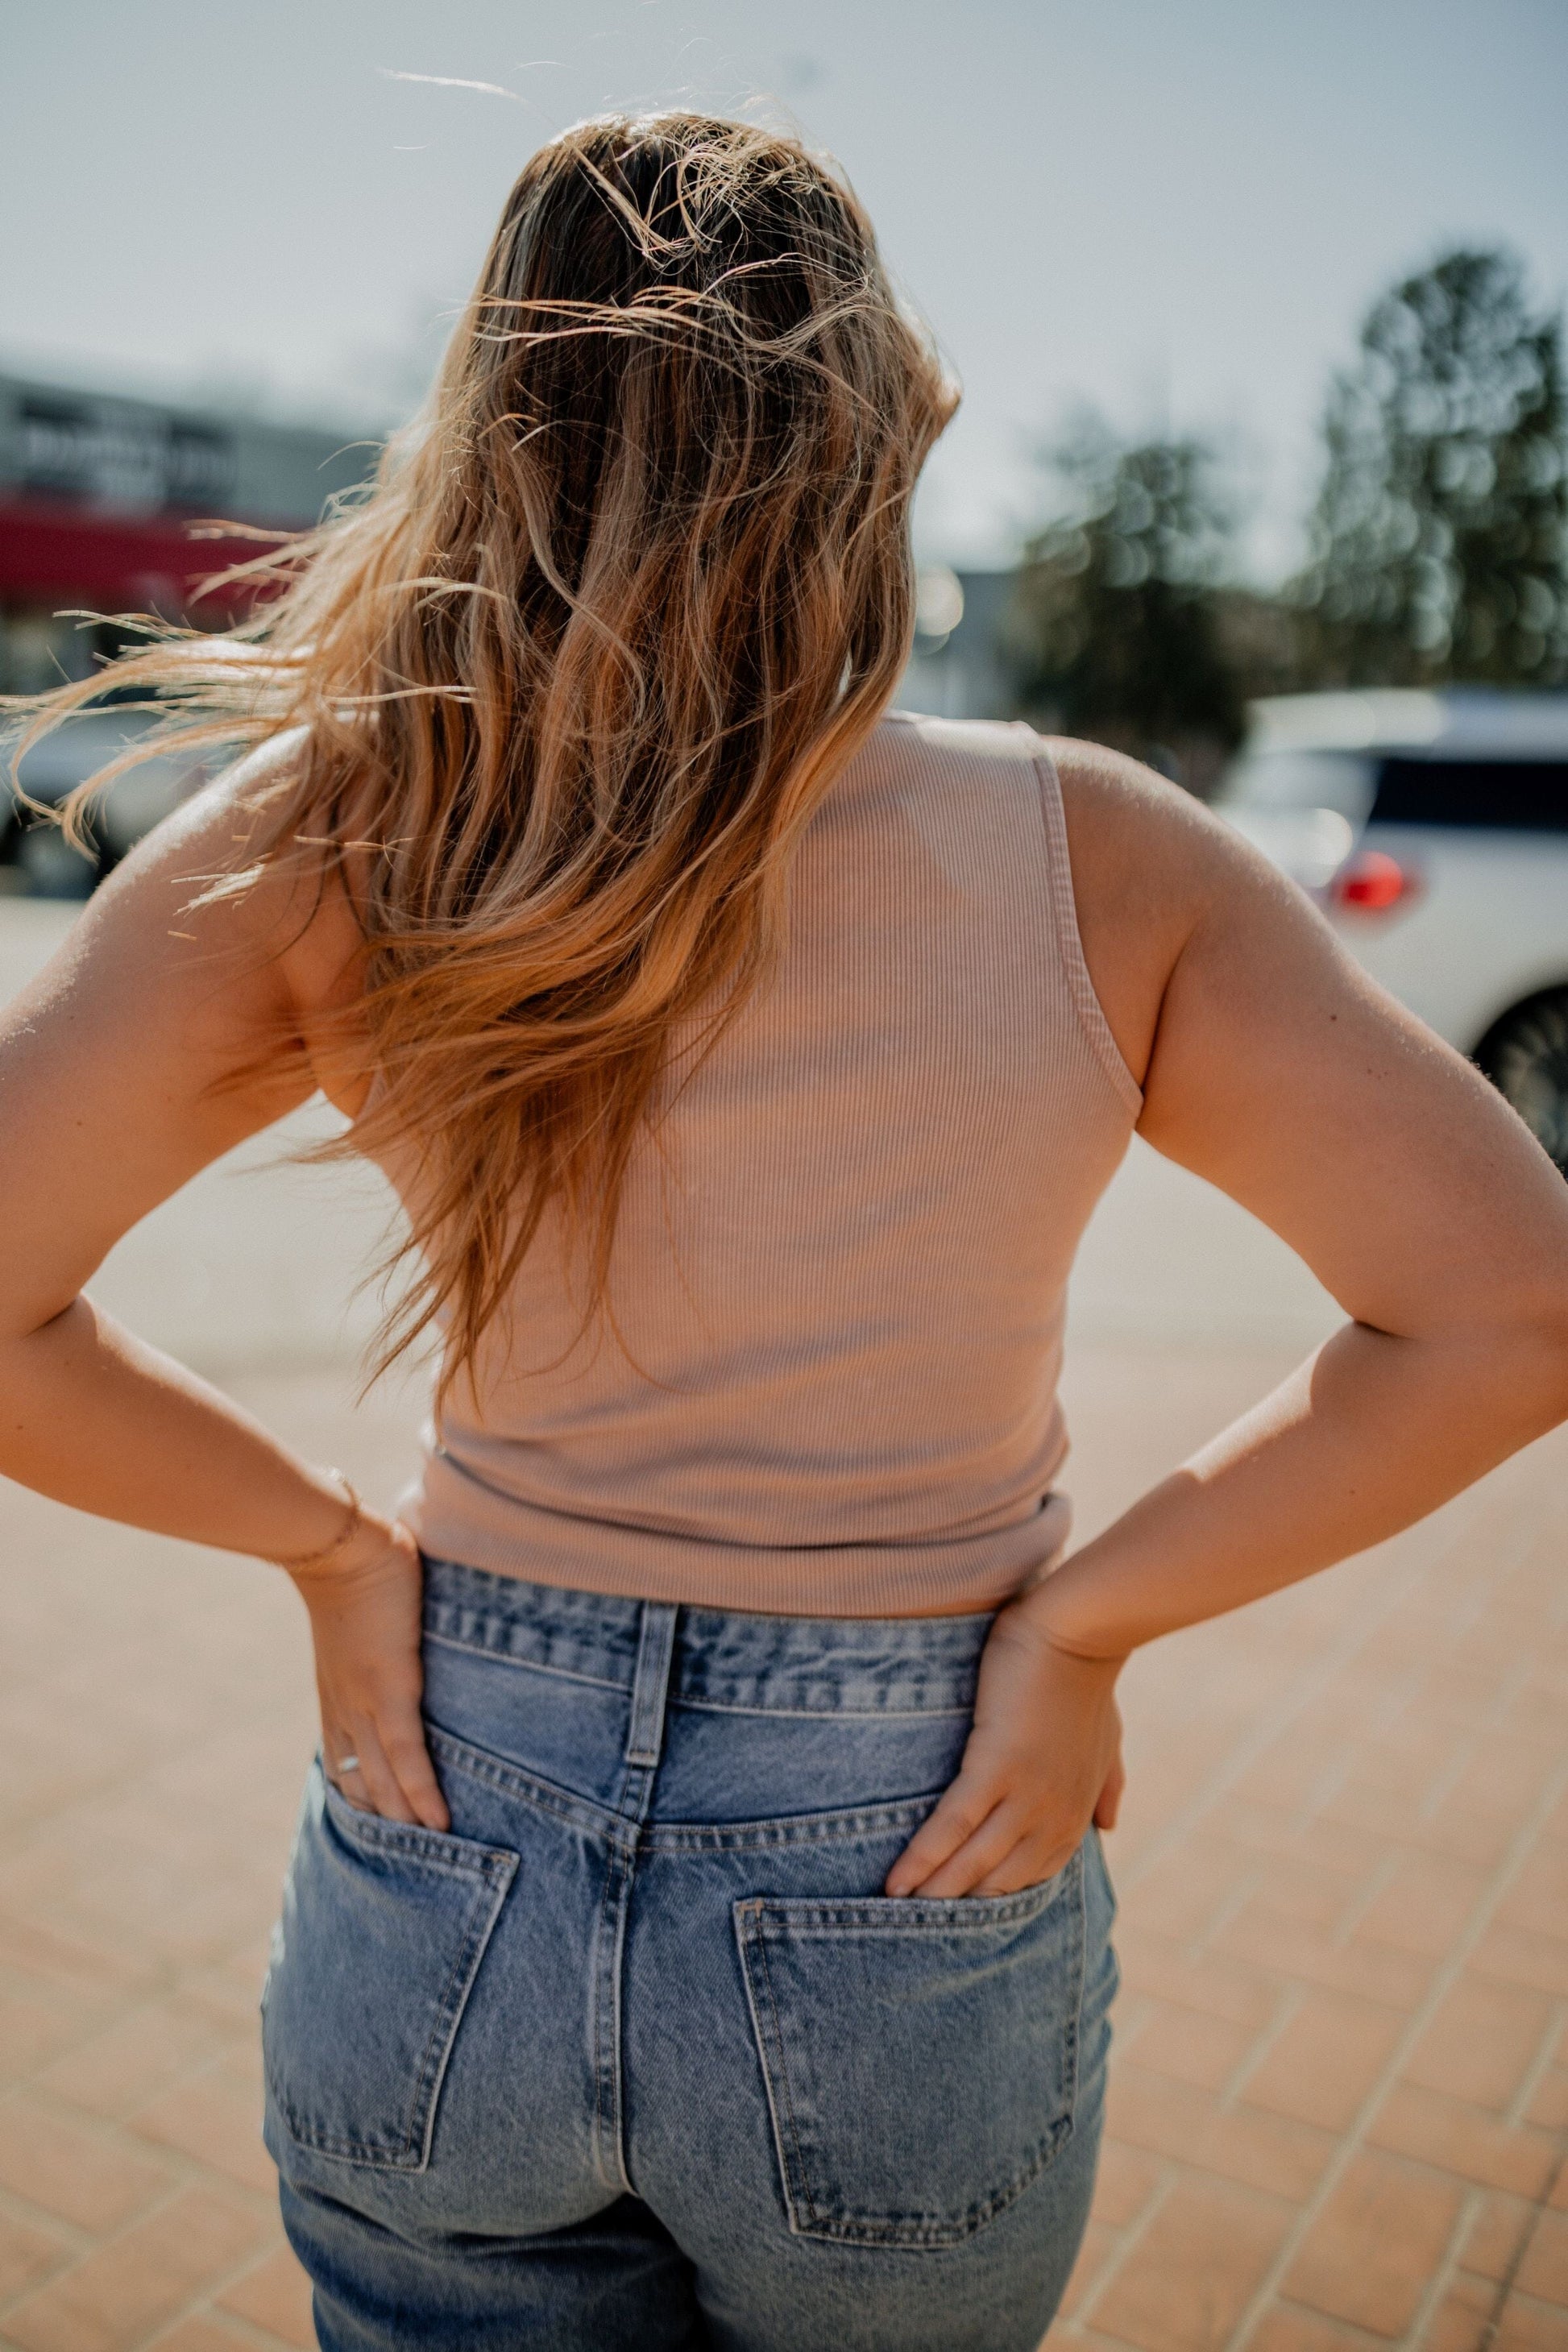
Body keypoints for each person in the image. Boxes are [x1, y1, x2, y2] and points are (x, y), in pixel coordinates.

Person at [3, 112, 1566, 2352]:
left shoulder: (342, 831)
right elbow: (1509, 1315)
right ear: (869, 442)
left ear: (489, 426)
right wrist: (1089, 1628)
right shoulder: (1104, 861)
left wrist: (333, 1553)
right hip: (908, 1845)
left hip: (450, 1823)